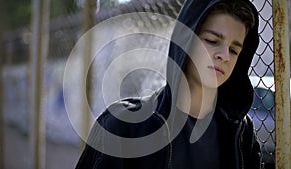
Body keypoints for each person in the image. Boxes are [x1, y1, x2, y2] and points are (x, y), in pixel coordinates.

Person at [76, 0, 261, 168]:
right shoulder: (122, 125)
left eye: (234, 50)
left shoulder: (242, 133)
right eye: (212, 41)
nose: (225, 56)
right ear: (184, 40)